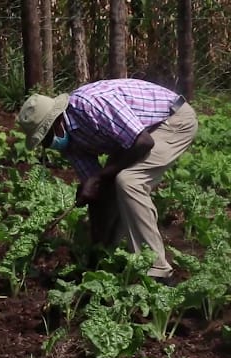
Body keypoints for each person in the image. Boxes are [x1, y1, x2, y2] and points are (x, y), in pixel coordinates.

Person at [17, 78, 198, 283]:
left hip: (172, 120)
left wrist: (99, 177)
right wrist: (95, 251)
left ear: (57, 122)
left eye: (46, 137)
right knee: (109, 187)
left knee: (128, 181)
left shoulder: (91, 106)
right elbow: (98, 192)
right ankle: (107, 256)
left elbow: (143, 143)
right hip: (138, 134)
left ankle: (157, 271)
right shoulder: (70, 144)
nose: (48, 144)